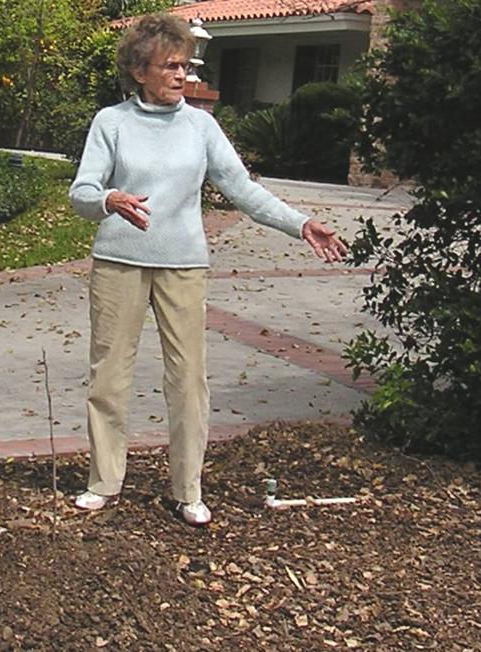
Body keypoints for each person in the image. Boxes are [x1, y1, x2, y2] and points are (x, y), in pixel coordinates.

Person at [68, 14, 346, 526]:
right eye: (169, 66)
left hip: (183, 267)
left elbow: (242, 189)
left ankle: (187, 490)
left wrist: (300, 223)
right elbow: (82, 193)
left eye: (185, 65)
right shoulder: (111, 123)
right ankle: (103, 482)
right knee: (108, 377)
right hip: (118, 264)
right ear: (138, 71)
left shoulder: (201, 126)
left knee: (189, 379)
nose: (181, 75)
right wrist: (110, 198)